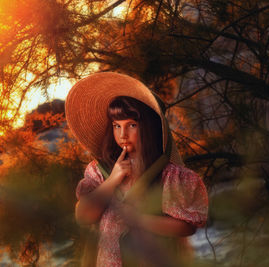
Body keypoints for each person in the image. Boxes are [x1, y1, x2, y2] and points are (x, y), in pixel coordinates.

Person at [65, 72, 208, 267]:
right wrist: (113, 180)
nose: (122, 134)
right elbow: (83, 216)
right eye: (116, 126)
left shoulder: (169, 175)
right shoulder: (100, 170)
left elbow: (187, 226)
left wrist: (140, 220)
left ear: (147, 127)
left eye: (131, 125)